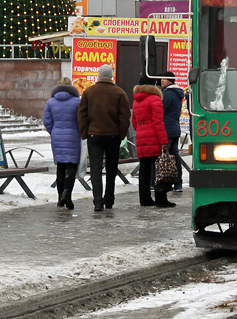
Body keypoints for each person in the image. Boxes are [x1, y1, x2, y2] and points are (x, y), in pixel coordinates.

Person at [78, 64, 131, 211]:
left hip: (94, 135)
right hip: (113, 136)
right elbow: (125, 117)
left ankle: (97, 201)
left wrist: (84, 133)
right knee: (111, 169)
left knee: (95, 168)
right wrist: (121, 134)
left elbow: (82, 115)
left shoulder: (89, 92)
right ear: (111, 76)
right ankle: (109, 199)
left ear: (99, 76)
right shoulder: (119, 93)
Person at [132, 78, 174, 208]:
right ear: (153, 85)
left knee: (144, 169)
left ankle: (144, 198)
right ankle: (161, 198)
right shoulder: (155, 99)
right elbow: (158, 122)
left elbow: (134, 123)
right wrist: (164, 141)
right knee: (159, 168)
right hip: (154, 137)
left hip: (141, 136)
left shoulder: (136, 101)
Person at [42, 77, 81, 210]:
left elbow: (46, 120)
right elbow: (81, 119)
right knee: (71, 165)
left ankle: (60, 198)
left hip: (57, 136)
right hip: (73, 135)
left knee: (60, 166)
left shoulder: (51, 102)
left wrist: (53, 131)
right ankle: (67, 194)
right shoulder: (77, 101)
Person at [159, 70, 184, 193]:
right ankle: (178, 183)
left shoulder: (168, 93)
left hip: (166, 128)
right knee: (175, 156)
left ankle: (165, 181)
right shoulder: (178, 93)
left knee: (165, 157)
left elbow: (162, 109)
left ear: (170, 80)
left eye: (164, 79)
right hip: (175, 128)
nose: (161, 81)